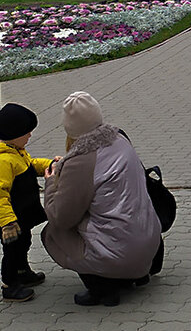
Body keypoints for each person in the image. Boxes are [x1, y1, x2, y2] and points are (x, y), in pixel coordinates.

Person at [43, 92, 162, 306]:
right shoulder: (120, 139)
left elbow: (61, 217)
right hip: (147, 241)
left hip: (119, 252)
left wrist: (51, 182)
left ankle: (102, 287)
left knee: (52, 232)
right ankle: (134, 276)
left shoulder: (80, 162)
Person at [0, 103, 55, 303]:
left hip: (21, 211)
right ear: (14, 134)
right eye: (27, 132)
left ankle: (22, 271)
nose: (30, 136)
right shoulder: (2, 162)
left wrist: (50, 165)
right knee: (12, 249)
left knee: (24, 241)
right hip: (10, 217)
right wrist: (7, 223)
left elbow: (29, 165)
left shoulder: (15, 151)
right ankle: (9, 284)